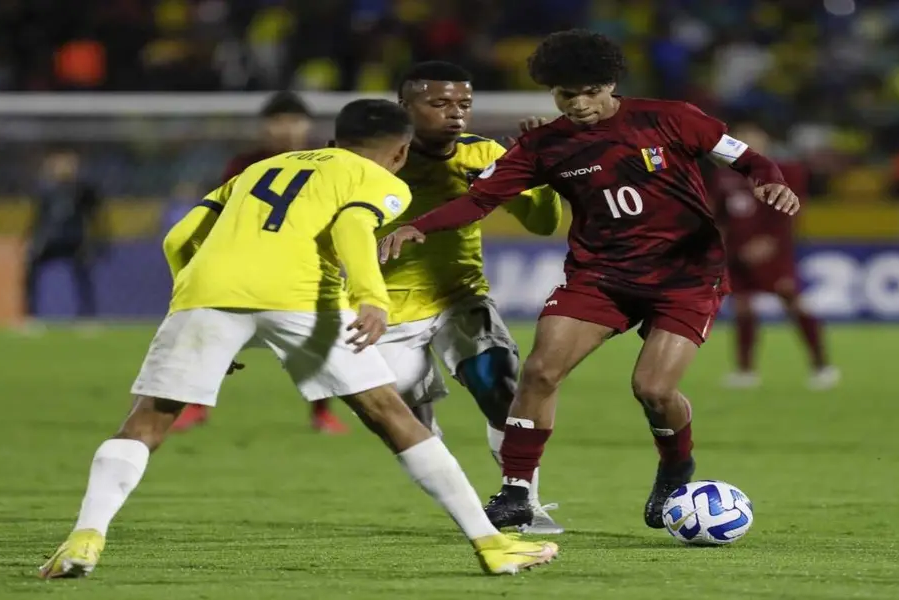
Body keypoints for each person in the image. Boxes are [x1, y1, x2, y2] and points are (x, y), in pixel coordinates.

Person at [38, 99, 559, 579]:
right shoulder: (382, 180)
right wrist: (371, 297)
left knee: (146, 421)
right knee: (390, 415)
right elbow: (354, 229)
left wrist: (193, 307)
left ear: (335, 139)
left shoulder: (258, 169)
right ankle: (491, 543)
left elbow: (178, 237)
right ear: (400, 150)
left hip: (208, 295)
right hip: (302, 297)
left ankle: (85, 536)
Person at [380, 30, 800, 531]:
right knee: (538, 371)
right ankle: (516, 491)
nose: (579, 104)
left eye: (589, 91)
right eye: (566, 94)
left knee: (652, 389)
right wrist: (416, 226)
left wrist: (770, 180)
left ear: (612, 83)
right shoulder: (544, 145)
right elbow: (479, 200)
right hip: (600, 276)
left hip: (686, 277)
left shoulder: (671, 118)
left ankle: (674, 467)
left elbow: (748, 158)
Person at [381, 61, 565, 534]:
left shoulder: (484, 154)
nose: (455, 114)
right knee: (409, 427)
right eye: (439, 103)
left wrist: (536, 169)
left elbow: (543, 224)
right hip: (382, 309)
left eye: (463, 104)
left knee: (503, 389)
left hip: (460, 298)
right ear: (405, 106)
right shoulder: (372, 160)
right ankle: (458, 500)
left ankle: (524, 504)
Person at [170, 90, 349, 435]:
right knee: (211, 335)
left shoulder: (327, 162)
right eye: (277, 122)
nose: (285, 129)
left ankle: (322, 411)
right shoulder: (242, 165)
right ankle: (195, 405)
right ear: (264, 128)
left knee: (321, 341)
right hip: (248, 265)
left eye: (293, 121)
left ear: (307, 125)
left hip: (305, 267)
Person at [711, 123, 838, 391]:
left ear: (766, 143)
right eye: (741, 139)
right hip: (736, 252)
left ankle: (822, 365)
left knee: (791, 299)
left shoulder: (786, 170)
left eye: (752, 139)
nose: (746, 143)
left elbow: (790, 210)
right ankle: (745, 371)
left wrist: (770, 242)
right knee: (743, 306)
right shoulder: (724, 176)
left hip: (773, 251)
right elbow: (719, 215)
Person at [23, 148, 106, 326]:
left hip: (74, 239)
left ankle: (87, 317)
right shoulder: (46, 189)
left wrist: (99, 239)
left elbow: (95, 214)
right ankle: (30, 316)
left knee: (83, 276)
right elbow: (38, 217)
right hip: (49, 240)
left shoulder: (82, 189)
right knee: (31, 270)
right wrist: (30, 239)